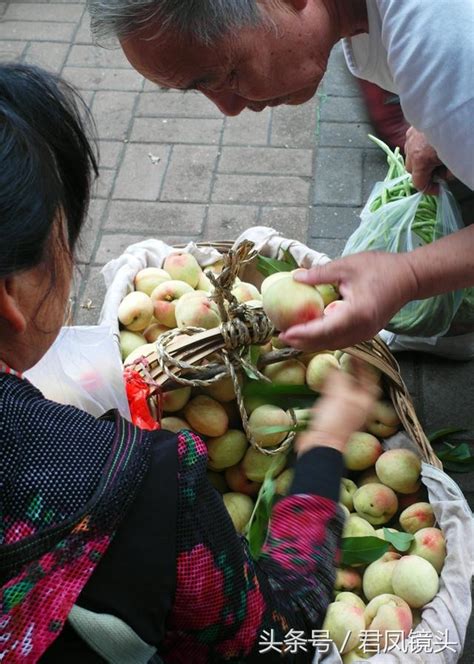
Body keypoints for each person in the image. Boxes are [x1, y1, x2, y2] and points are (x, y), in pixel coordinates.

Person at [0, 63, 380, 663]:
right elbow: (276, 636)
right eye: (63, 234)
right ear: (10, 297)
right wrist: (325, 446)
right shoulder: (131, 483)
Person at [87, 0, 474, 352]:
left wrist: (408, 275)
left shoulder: (443, 57)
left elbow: (454, 73)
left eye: (227, 74)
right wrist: (436, 126)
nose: (230, 108)